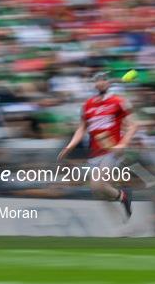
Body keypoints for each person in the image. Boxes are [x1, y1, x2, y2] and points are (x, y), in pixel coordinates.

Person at [58, 71, 138, 217]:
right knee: (98, 191)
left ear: (108, 83)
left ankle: (123, 197)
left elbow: (133, 125)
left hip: (111, 150)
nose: (100, 82)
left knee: (97, 184)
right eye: (97, 80)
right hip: (94, 152)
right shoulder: (87, 105)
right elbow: (82, 128)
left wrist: (123, 144)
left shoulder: (118, 101)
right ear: (94, 84)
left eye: (103, 80)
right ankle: (123, 198)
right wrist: (69, 146)